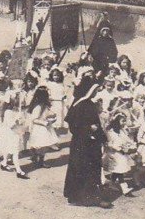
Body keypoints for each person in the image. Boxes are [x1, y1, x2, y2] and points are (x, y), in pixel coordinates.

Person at [63, 76, 111, 208]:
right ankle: (83, 198)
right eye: (94, 89)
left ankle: (87, 196)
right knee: (82, 169)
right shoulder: (80, 104)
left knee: (91, 169)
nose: (96, 92)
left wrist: (102, 138)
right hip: (82, 143)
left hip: (90, 143)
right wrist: (89, 128)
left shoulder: (89, 104)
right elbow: (73, 126)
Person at [103, 111, 137, 196]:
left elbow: (127, 140)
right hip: (115, 154)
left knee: (118, 170)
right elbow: (110, 144)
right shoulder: (111, 132)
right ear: (116, 121)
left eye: (125, 120)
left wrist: (131, 145)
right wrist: (119, 149)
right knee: (120, 171)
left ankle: (111, 184)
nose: (124, 123)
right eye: (122, 121)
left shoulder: (122, 131)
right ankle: (125, 189)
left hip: (122, 154)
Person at [27, 85, 59, 168]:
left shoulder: (44, 106)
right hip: (40, 128)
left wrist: (52, 117)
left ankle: (39, 160)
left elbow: (47, 114)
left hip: (45, 128)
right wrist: (44, 123)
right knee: (41, 145)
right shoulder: (38, 107)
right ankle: (36, 157)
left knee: (44, 145)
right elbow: (34, 119)